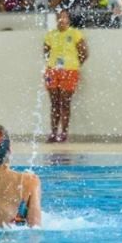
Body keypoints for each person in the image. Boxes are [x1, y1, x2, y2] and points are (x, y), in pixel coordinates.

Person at [43, 10, 88, 143]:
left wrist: (73, 65)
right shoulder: (50, 35)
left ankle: (63, 133)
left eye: (64, 17)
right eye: (59, 17)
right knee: (54, 102)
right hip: (52, 71)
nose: (61, 19)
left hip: (70, 71)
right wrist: (52, 64)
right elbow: (45, 51)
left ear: (68, 19)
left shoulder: (75, 33)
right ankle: (53, 133)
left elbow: (84, 53)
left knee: (65, 102)